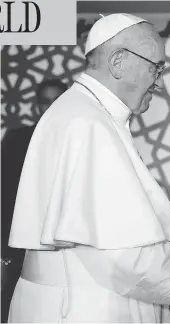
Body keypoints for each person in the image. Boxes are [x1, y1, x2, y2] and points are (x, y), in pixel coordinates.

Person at [7, 14, 170, 323]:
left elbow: (117, 230)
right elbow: (128, 257)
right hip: (88, 308)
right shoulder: (89, 124)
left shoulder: (84, 113)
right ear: (118, 61)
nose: (160, 82)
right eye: (156, 67)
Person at [1, 78, 67, 323]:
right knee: (17, 303)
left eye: (57, 101)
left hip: (69, 241)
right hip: (23, 239)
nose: (50, 107)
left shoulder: (80, 138)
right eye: (44, 101)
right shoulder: (17, 140)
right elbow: (5, 192)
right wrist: (5, 245)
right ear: (36, 105)